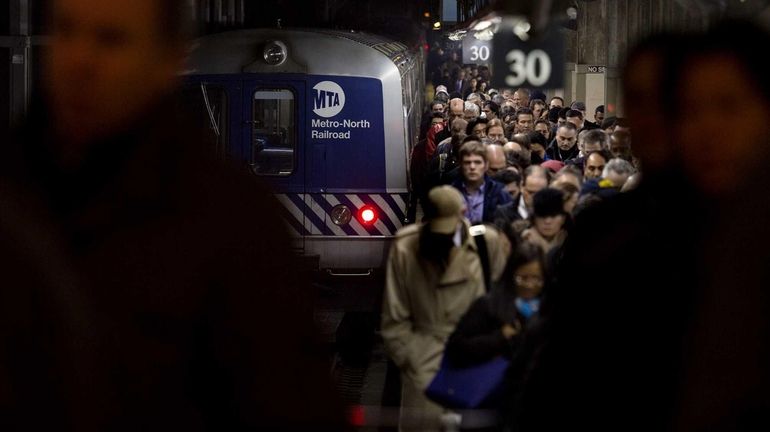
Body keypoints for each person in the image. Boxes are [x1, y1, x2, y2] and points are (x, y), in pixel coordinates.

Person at [0, 0, 344, 430]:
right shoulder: (14, 196)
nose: (79, 59)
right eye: (65, 31)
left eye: (111, 40)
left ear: (168, 60)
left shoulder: (234, 222)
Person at [382, 185, 509, 432]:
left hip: (475, 364)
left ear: (463, 213)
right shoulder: (406, 247)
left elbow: (502, 303)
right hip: (424, 363)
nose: (443, 236)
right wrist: (413, 360)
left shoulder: (486, 243)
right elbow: (394, 316)